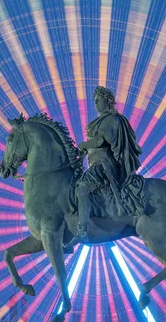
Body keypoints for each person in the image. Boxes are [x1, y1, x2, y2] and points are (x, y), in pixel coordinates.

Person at [65, 86, 143, 247]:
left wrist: (83, 144)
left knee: (81, 189)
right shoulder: (102, 121)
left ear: (107, 101)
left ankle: (82, 231)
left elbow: (100, 141)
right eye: (94, 100)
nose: (95, 103)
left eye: (97, 100)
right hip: (95, 164)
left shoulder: (112, 120)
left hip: (105, 165)